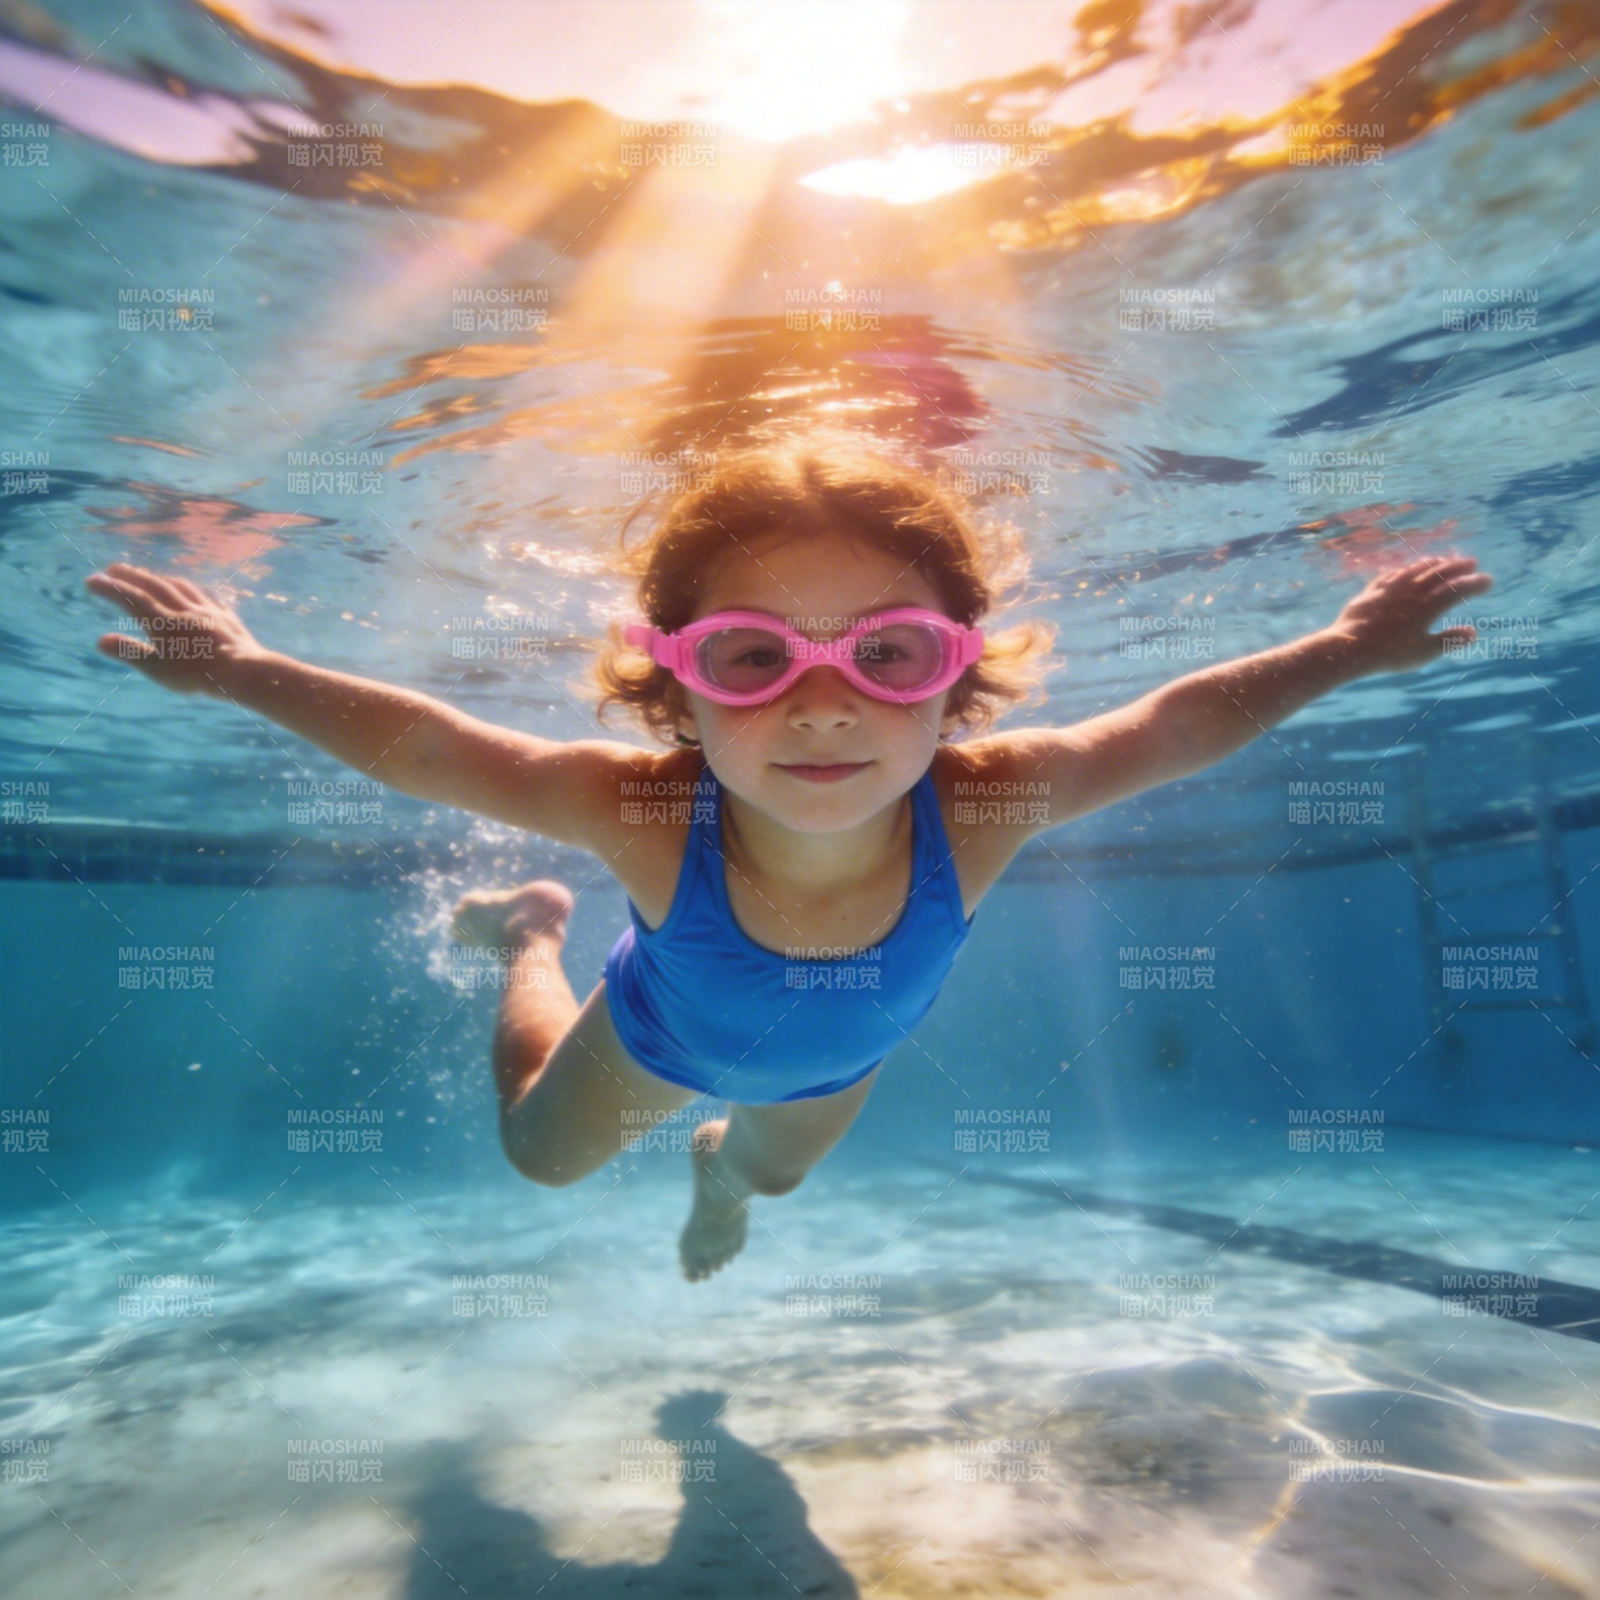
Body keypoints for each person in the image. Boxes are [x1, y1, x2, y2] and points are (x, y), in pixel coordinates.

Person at [84, 432, 1493, 1281]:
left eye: (886, 653)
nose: (823, 703)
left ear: (958, 677)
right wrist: (249, 670)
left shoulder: (983, 805)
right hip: (648, 1029)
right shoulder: (645, 813)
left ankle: (720, 1169)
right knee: (538, 1160)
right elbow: (441, 751)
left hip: (828, 1068)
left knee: (766, 1178)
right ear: (678, 686)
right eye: (754, 656)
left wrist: (1345, 646)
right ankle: (527, 931)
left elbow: (1171, 726)